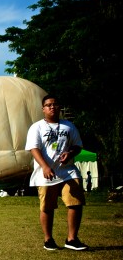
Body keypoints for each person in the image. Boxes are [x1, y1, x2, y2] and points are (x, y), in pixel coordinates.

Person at [25, 95, 87, 251]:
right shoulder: (37, 127)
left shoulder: (69, 126)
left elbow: (77, 146)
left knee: (76, 202)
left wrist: (70, 154)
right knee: (47, 206)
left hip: (67, 171)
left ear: (60, 107)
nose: (52, 107)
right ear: (43, 109)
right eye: (48, 105)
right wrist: (45, 167)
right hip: (46, 172)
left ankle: (72, 239)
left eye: (55, 104)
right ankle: (48, 239)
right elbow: (33, 148)